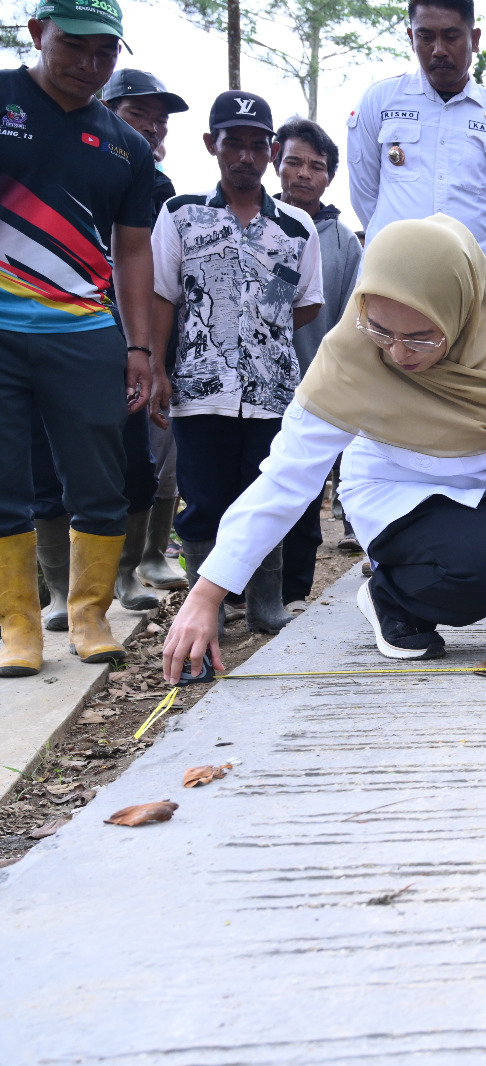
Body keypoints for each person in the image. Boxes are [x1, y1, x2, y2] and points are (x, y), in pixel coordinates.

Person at [161, 214, 486, 680]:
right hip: (404, 489)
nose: (399, 354)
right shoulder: (348, 355)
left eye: (420, 337)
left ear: (463, 306)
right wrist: (206, 595)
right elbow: (288, 476)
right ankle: (391, 595)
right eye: (382, 331)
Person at [0, 0, 156, 678]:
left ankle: (90, 616)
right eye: (74, 46)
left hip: (87, 331)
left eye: (105, 53)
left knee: (101, 480)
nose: (90, 65)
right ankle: (18, 627)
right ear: (38, 34)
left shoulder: (126, 144)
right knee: (5, 483)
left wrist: (140, 348)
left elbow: (133, 253)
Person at [151, 91, 323, 636]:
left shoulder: (296, 228)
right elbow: (162, 295)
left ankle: (265, 602)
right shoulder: (181, 215)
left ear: (271, 151)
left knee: (263, 495)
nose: (246, 156)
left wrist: (255, 328)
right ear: (212, 146)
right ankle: (211, 607)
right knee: (203, 499)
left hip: (272, 392)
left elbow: (306, 303)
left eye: (257, 145)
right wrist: (158, 365)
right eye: (234, 144)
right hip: (200, 389)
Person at [347, 0, 486, 260]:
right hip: (389, 276)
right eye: (426, 37)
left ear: (474, 39)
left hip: (465, 284)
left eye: (451, 36)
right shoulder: (379, 101)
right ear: (411, 37)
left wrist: (467, 257)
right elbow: (364, 193)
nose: (438, 50)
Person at [102, 67, 190, 595]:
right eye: (139, 115)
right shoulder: (88, 172)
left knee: (158, 448)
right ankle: (93, 574)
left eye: (160, 122)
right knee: (102, 451)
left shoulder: (162, 189)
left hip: (156, 335)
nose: (153, 129)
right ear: (106, 112)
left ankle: (150, 554)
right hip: (87, 324)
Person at [275, 116, 364, 612]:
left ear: (328, 176)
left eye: (316, 166)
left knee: (306, 486)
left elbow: (353, 315)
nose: (304, 174)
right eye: (294, 162)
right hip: (253, 384)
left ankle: (291, 590)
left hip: (316, 383)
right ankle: (243, 582)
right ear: (276, 163)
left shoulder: (342, 241)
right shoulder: (259, 224)